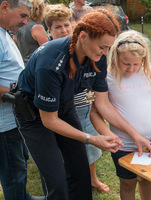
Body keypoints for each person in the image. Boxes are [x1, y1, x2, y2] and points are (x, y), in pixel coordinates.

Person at [14, 10, 125, 200]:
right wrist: (91, 138)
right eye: (102, 47)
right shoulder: (51, 62)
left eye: (108, 47)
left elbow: (103, 103)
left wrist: (131, 135)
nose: (105, 53)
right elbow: (49, 120)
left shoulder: (98, 56)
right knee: (56, 180)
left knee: (80, 169)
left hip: (64, 107)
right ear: (83, 36)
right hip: (34, 116)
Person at [91, 29, 151, 200]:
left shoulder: (149, 71)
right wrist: (109, 135)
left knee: (147, 179)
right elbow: (95, 112)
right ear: (115, 56)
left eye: (136, 64)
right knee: (128, 183)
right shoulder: (107, 76)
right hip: (123, 144)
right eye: (126, 63)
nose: (131, 69)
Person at [44, 4, 111, 193]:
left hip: (84, 108)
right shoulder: (52, 59)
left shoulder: (92, 55)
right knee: (67, 153)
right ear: (49, 31)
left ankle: (92, 179)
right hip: (60, 114)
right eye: (58, 27)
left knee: (89, 151)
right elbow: (51, 116)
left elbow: (100, 98)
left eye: (66, 25)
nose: (64, 30)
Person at [0, 0, 44, 199]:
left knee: (20, 163)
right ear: (5, 7)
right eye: (23, 15)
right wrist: (18, 95)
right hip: (4, 124)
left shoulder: (4, 33)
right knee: (13, 172)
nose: (26, 22)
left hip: (14, 118)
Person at [16, 0, 48, 65]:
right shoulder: (37, 27)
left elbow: (15, 41)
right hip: (36, 65)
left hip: (24, 64)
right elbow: (47, 49)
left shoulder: (19, 26)